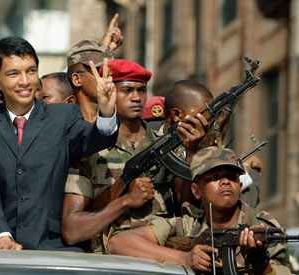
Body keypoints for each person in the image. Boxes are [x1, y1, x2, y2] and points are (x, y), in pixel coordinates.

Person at [0, 36, 118, 251]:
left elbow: (94, 139)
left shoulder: (62, 116)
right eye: (14, 73)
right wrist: (2, 236)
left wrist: (106, 111)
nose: (25, 81)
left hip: (54, 247)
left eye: (31, 71)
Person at [62, 60, 208, 253]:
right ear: (109, 93)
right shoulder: (90, 149)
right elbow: (72, 231)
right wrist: (126, 201)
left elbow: (189, 208)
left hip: (163, 259)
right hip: (110, 263)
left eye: (141, 90)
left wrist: (191, 152)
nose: (136, 97)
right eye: (127, 90)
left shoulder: (167, 145)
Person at [107, 147, 290, 275]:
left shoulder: (261, 226)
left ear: (240, 186)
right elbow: (117, 243)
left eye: (231, 177)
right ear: (195, 190)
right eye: (215, 177)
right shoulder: (186, 225)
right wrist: (184, 258)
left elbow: (285, 273)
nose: (225, 182)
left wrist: (262, 266)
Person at [67, 39, 114, 122]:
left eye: (110, 71)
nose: (108, 77)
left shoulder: (121, 123)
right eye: (99, 71)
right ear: (77, 79)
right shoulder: (65, 123)